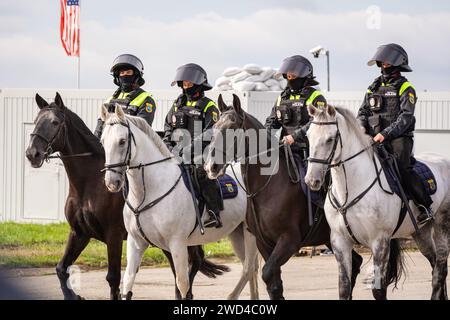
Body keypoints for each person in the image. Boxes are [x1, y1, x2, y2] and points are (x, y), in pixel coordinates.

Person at [356, 43, 433, 223]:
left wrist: (385, 134)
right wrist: (360, 126)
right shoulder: (373, 87)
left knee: (402, 168)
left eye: (387, 63)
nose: (384, 66)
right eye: (382, 63)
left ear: (397, 64)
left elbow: (406, 117)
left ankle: (424, 206)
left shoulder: (406, 87)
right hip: (373, 138)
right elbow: (363, 112)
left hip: (399, 138)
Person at [162, 63, 223, 228]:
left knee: (201, 173)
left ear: (198, 84)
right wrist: (167, 145)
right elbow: (168, 126)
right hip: (176, 152)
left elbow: (210, 133)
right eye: (184, 83)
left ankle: (213, 212)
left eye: (189, 83)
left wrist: (188, 149)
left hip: (202, 152)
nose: (186, 86)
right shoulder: (177, 104)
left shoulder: (209, 106)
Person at [265, 55, 327, 163]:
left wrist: (294, 137)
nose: (290, 79)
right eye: (288, 76)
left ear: (304, 76)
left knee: (309, 178)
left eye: (293, 76)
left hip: (310, 153)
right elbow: (272, 121)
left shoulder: (316, 97)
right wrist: (264, 136)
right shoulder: (282, 97)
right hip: (285, 150)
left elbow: (317, 123)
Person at [94, 54, 156, 138]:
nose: (125, 75)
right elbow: (100, 127)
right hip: (108, 145)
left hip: (132, 147)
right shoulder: (110, 100)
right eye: (122, 73)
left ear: (136, 76)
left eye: (128, 72)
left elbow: (142, 128)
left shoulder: (146, 99)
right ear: (118, 77)